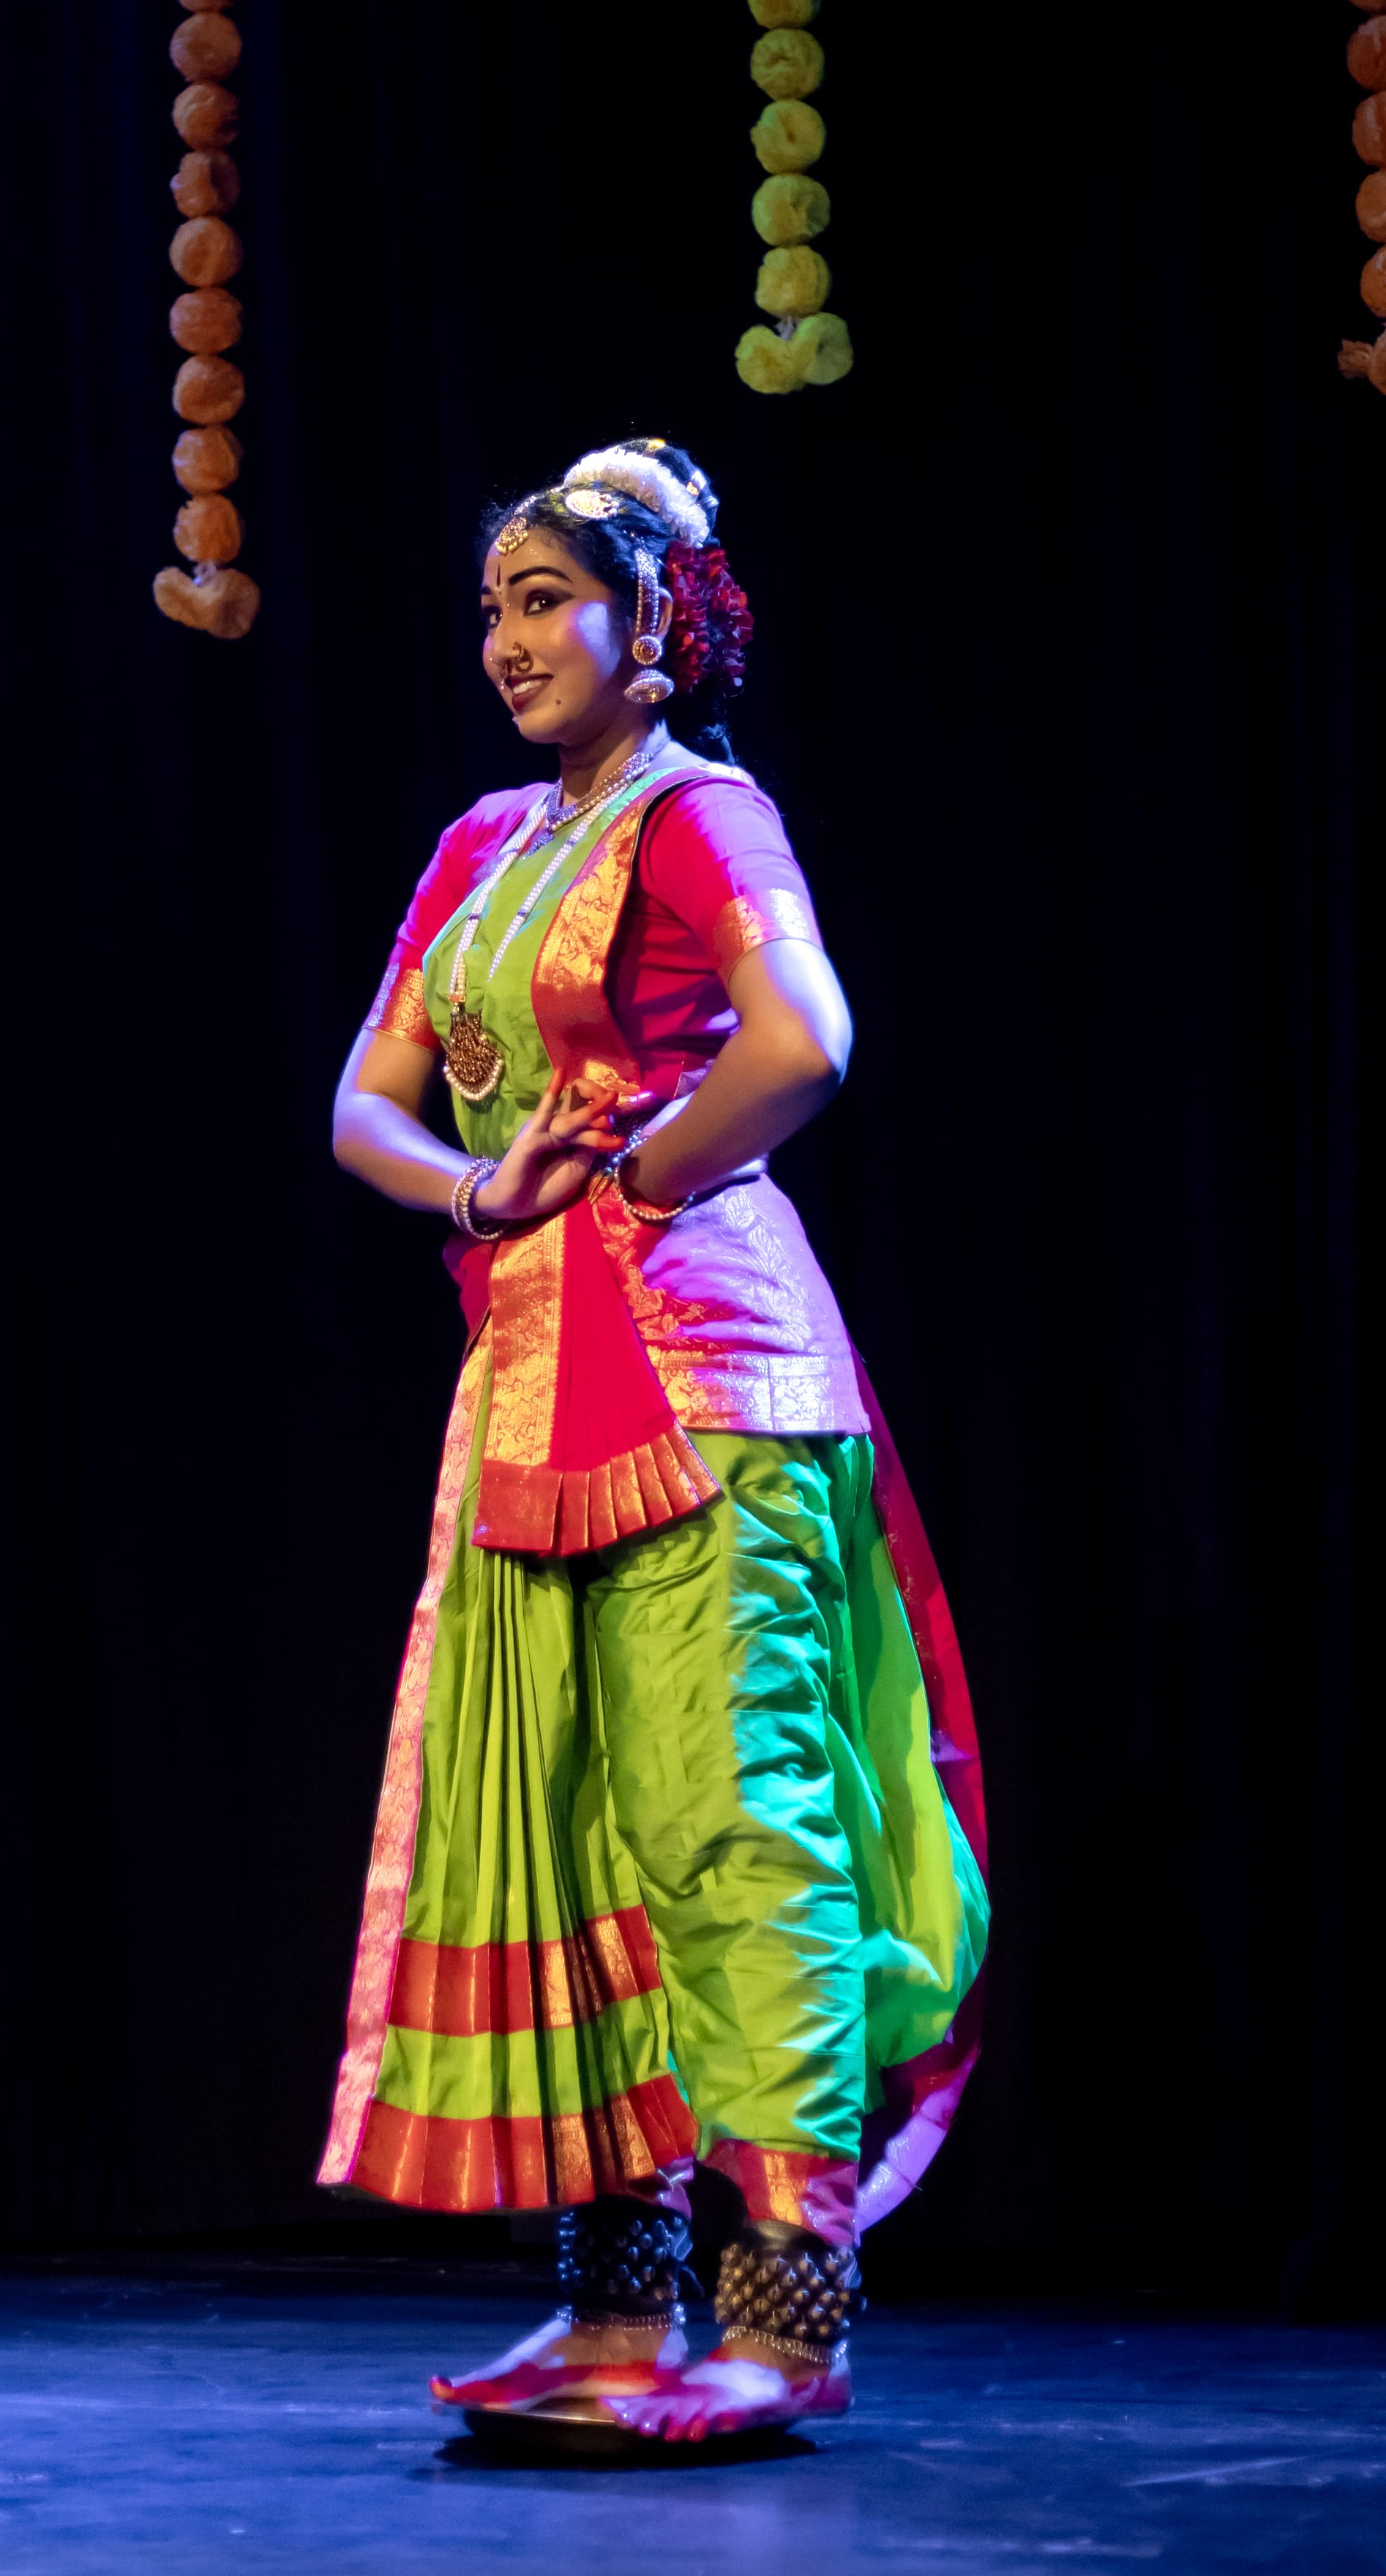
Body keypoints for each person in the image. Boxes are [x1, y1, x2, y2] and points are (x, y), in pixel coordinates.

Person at [322, 438, 989, 2445]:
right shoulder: (480, 844)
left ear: (654, 625)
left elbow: (810, 1043)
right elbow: (363, 1105)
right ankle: (617, 2308)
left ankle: (784, 2305)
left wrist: (640, 1181)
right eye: (495, 607)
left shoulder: (706, 814)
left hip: (710, 1387)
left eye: (548, 601)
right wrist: (479, 1193)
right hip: (528, 1394)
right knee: (574, 1840)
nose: (510, 639)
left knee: (730, 1823)